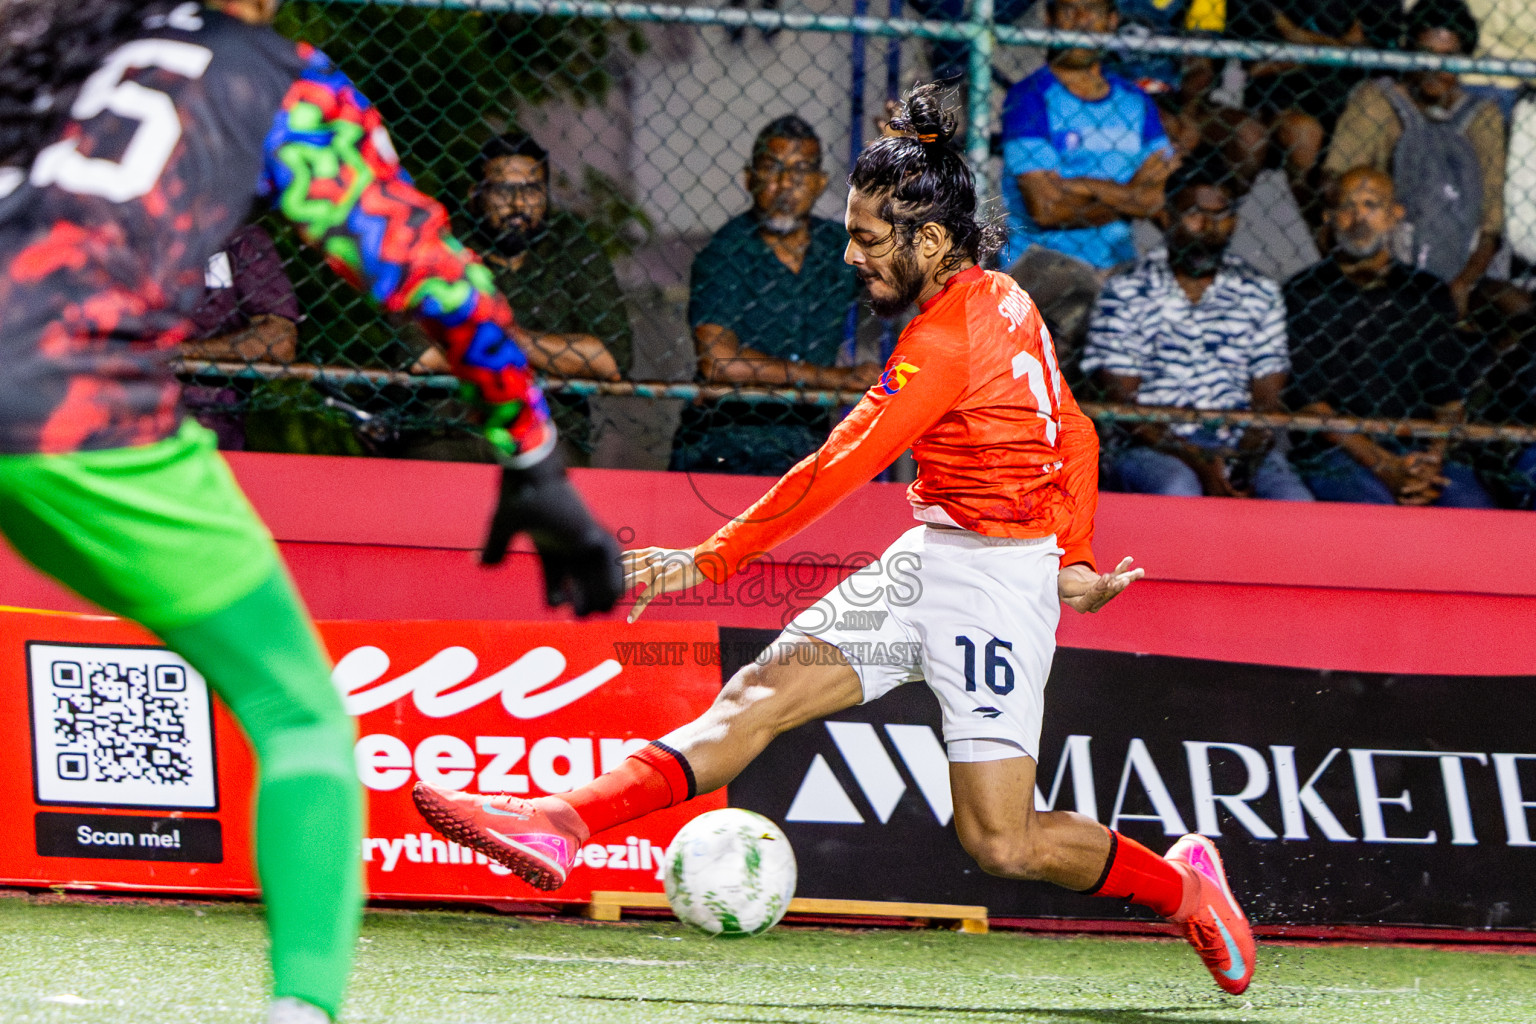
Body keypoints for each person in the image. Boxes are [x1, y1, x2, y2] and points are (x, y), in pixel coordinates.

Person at [414, 86, 1258, 997]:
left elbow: (835, 468)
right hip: (928, 557)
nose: (851, 256)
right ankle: (558, 825)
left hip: (998, 591)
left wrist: (709, 558)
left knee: (999, 842)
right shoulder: (1004, 297)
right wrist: (1081, 555)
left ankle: (1185, 887)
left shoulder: (944, 344)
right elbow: (1077, 430)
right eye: (849, 234)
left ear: (929, 241)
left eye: (866, 239)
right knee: (753, 702)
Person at [0, 3, 621, 1023]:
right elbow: (428, 272)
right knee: (303, 722)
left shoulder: (65, 42)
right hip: (80, 410)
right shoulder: (282, 82)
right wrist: (535, 448)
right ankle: (304, 1009)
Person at [1083, 153, 1313, 500]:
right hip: (1153, 445)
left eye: (1220, 215)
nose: (1208, 226)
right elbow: (1122, 401)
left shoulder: (1259, 290)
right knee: (1179, 487)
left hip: (1237, 440)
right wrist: (1197, 458)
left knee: (1293, 501)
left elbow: (1267, 393)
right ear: (1167, 217)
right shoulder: (1127, 290)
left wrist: (1248, 453)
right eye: (1193, 214)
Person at [671, 115, 880, 476]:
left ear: (820, 183)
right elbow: (718, 362)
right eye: (773, 169)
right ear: (749, 178)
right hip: (724, 448)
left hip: (806, 447)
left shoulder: (836, 246)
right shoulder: (725, 252)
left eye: (801, 171)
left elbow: (900, 269)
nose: (786, 184)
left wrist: (901, 172)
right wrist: (831, 378)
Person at [414, 131, 631, 464]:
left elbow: (610, 361)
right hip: (451, 431)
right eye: (503, 191)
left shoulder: (573, 247)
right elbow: (422, 355)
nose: (518, 205)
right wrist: (553, 357)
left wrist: (506, 340)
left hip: (551, 433)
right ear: (476, 194)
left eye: (531, 190)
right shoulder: (446, 247)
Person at [1284, 167, 1494, 507]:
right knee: (1373, 512)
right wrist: (1386, 467)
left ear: (1396, 214)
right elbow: (1310, 403)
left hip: (1418, 446)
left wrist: (1431, 461)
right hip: (1337, 451)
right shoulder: (1304, 292)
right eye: (1348, 207)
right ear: (1329, 217)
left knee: (1474, 512)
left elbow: (1449, 400)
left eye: (1372, 204)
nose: (1359, 218)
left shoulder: (1426, 292)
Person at [999, 0, 1178, 364]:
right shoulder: (1029, 98)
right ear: (1049, 19)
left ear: (1111, 21)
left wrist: (1082, 186)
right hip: (1042, 262)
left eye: (1093, 11)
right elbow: (1047, 209)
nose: (1082, 22)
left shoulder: (1136, 102)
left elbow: (1154, 199)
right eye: (1069, 10)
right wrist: (1128, 198)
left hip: (1118, 263)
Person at [1322, 0, 1502, 315]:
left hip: (1458, 261)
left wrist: (1460, 285)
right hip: (1382, 260)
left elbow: (1491, 227)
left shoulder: (1482, 117)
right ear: (1408, 51)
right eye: (1426, 55)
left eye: (1449, 59)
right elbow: (1335, 186)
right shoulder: (1377, 101)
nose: (1435, 69)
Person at [179, 221, 300, 449]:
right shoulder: (116, 232)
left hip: (213, 425)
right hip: (119, 417)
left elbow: (279, 342)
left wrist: (179, 355)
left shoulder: (241, 239)